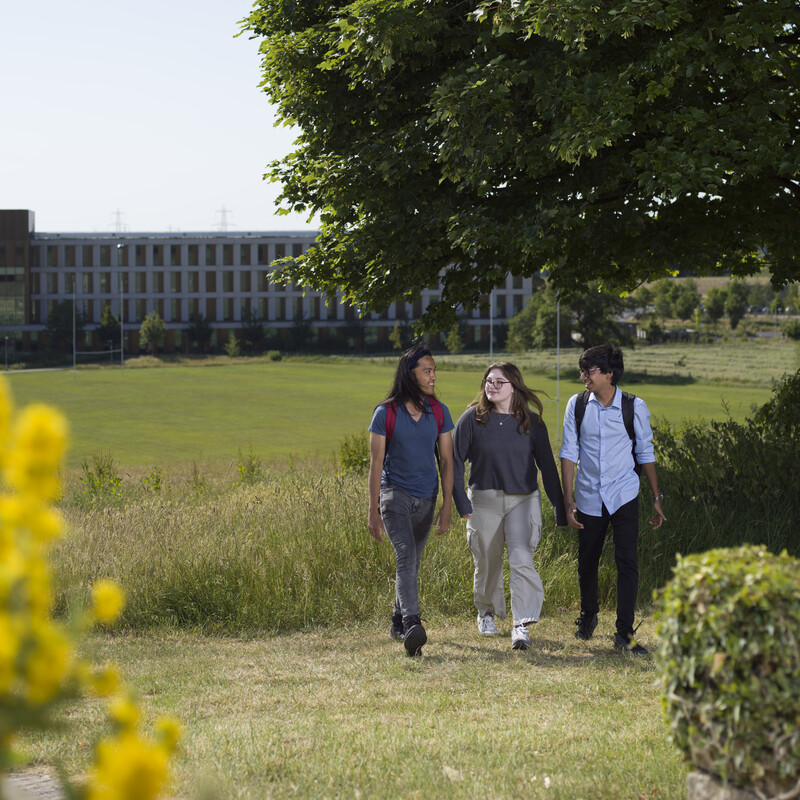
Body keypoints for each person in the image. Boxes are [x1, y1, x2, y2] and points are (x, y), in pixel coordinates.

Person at [559, 344, 666, 655]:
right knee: (587, 562)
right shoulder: (577, 405)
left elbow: (646, 454)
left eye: (589, 371)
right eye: (583, 371)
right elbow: (568, 453)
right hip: (589, 495)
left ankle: (624, 633)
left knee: (627, 563)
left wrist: (656, 497)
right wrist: (569, 501)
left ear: (609, 373)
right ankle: (588, 617)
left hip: (624, 495)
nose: (583, 377)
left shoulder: (635, 406)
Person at [452, 362, 566, 651]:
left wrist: (560, 507)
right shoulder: (472, 419)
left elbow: (548, 468)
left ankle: (521, 624)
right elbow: (452, 460)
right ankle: (486, 613)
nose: (491, 386)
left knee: (521, 558)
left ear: (514, 386)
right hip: (483, 500)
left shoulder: (532, 422)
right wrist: (459, 500)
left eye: (499, 382)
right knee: (487, 561)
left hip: (523, 500)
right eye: (488, 381)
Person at [368, 345, 454, 657]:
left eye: (434, 371)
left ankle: (395, 621)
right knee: (405, 557)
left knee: (412, 563)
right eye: (427, 371)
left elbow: (446, 460)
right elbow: (376, 464)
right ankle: (412, 624)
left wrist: (446, 506)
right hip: (394, 495)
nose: (433, 376)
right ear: (410, 374)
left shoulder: (439, 411)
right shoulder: (386, 413)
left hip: (427, 497)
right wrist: (373, 508)